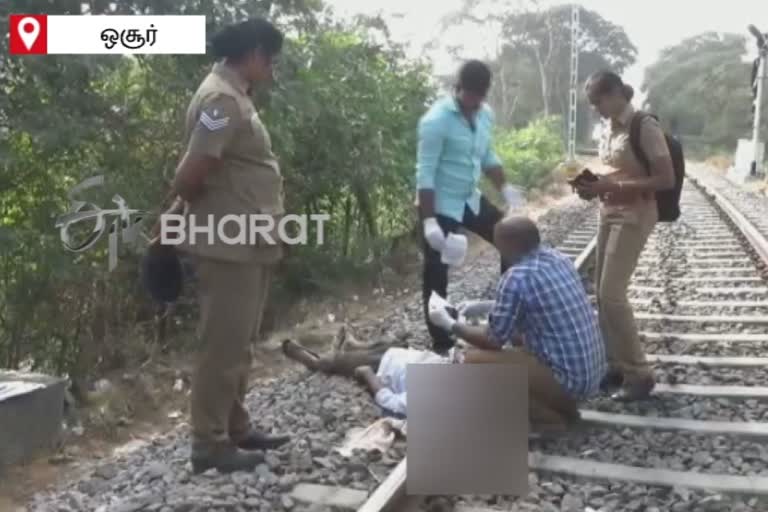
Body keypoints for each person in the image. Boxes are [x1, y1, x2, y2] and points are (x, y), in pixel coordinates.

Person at [151, 18, 291, 473]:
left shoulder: (234, 97)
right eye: (270, 57)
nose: (273, 67)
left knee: (240, 344)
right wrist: (175, 223)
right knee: (222, 347)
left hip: (248, 243)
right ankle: (208, 443)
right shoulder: (220, 101)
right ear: (252, 53)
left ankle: (234, 426)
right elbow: (192, 173)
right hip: (227, 245)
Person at [427, 216, 607, 433]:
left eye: (498, 243)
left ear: (511, 245)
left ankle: (548, 420)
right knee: (517, 337)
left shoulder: (515, 277)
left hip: (570, 382)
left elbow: (492, 340)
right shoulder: (559, 259)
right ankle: (562, 407)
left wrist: (449, 324)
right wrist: (483, 306)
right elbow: (532, 304)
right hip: (592, 374)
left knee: (471, 361)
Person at [574, 71, 676, 401]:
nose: (595, 109)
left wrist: (613, 186)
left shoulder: (643, 125)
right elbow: (617, 169)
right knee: (602, 296)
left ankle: (639, 373)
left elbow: (664, 179)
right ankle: (615, 364)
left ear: (616, 93)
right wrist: (594, 187)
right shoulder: (610, 127)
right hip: (609, 212)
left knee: (612, 293)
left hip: (635, 215)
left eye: (597, 101)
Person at [416, 59, 525, 354]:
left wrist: (505, 187)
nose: (475, 102)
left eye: (481, 96)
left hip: (468, 198)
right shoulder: (435, 121)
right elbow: (425, 173)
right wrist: (429, 223)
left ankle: (508, 319)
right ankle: (442, 341)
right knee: (436, 271)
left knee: (513, 241)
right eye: (470, 96)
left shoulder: (485, 114)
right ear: (457, 89)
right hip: (438, 203)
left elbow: (487, 154)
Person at [281, 339, 460, 418]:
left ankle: (313, 361)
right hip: (401, 353)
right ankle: (354, 345)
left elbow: (389, 401)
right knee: (394, 341)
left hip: (382, 366)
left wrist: (368, 375)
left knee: (335, 361)